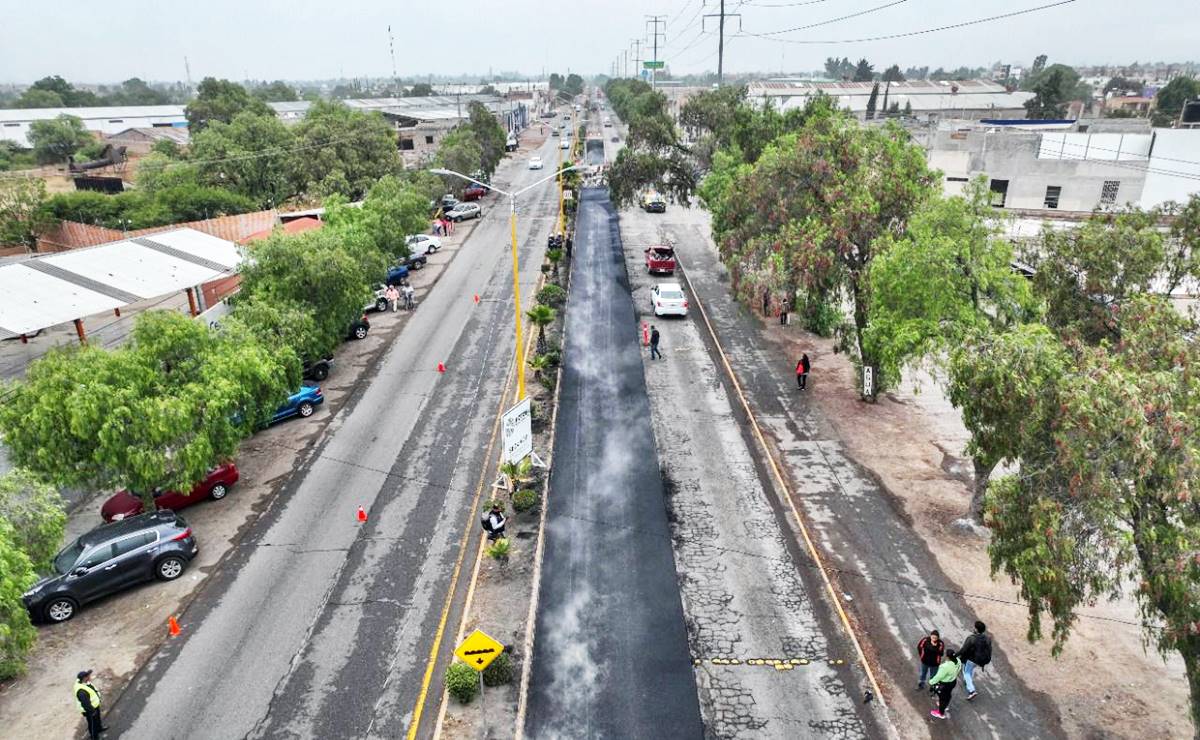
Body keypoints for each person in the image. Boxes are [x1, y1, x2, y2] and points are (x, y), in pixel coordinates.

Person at [958, 620, 992, 701]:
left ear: (976, 629)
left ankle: (971, 690)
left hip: (971, 659)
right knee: (970, 670)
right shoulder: (987, 639)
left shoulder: (972, 638)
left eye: (974, 627)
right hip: (980, 660)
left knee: (966, 672)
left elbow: (964, 649)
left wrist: (955, 655)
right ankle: (968, 682)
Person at [927, 648, 962, 720]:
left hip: (945, 684)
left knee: (943, 698)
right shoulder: (958, 661)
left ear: (947, 657)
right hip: (953, 682)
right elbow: (959, 669)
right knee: (948, 695)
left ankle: (940, 713)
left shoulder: (945, 666)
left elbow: (939, 676)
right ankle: (945, 706)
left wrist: (931, 682)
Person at [75, 669, 107, 739]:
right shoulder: (81, 692)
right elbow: (85, 704)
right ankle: (94, 737)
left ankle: (99, 728)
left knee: (97, 720)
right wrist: (92, 711)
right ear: (84, 678)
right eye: (88, 676)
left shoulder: (85, 682)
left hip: (95, 706)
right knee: (92, 725)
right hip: (90, 710)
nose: (90, 677)